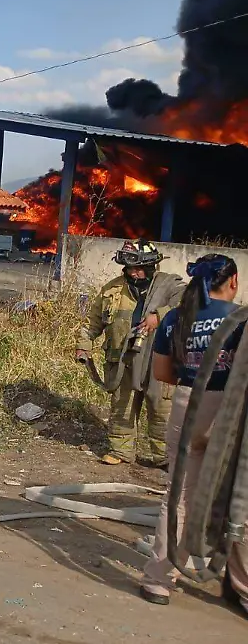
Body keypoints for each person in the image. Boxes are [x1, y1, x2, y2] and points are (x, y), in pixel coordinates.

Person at [139, 253, 248, 614]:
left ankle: (158, 578)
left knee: (179, 496)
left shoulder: (174, 318)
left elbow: (162, 373)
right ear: (232, 281)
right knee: (237, 499)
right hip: (230, 410)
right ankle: (241, 586)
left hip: (187, 404)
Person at [75, 239, 186, 466]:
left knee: (161, 409)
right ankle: (121, 451)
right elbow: (92, 322)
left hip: (160, 360)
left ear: (151, 266)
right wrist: (83, 345)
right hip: (122, 359)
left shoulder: (171, 286)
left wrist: (160, 315)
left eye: (138, 268)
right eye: (129, 268)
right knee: (122, 406)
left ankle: (164, 458)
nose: (133, 273)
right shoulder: (112, 289)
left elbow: (190, 304)